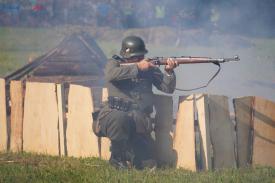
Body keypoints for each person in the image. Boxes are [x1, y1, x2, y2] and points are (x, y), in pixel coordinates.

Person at [93, 35, 178, 169]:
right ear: (126, 56)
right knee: (119, 117)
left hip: (138, 122)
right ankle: (117, 158)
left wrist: (169, 72)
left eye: (140, 56)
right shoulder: (114, 64)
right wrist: (137, 68)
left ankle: (128, 153)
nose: (139, 59)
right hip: (113, 117)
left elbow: (167, 88)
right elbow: (111, 75)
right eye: (135, 57)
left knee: (149, 166)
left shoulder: (149, 68)